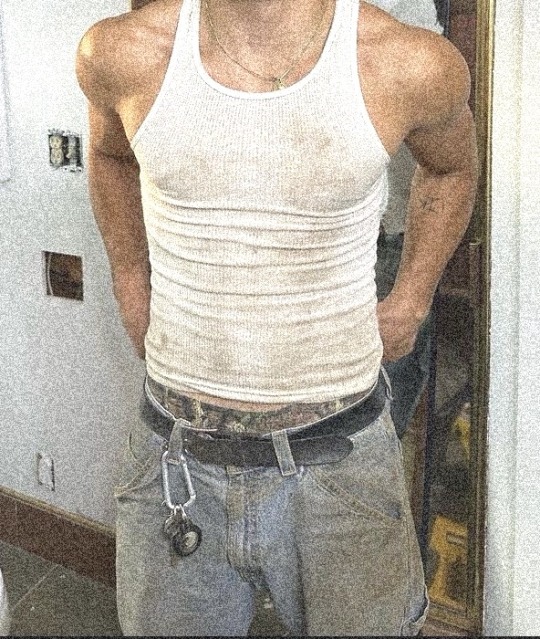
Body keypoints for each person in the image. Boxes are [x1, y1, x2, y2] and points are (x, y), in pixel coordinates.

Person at [76, 0, 477, 635]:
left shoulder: (409, 63)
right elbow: (109, 155)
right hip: (176, 459)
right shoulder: (121, 53)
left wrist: (412, 297)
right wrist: (130, 275)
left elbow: (452, 166)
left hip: (341, 461)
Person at [372, 0, 445, 437]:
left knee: (377, 428)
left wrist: (411, 298)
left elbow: (448, 163)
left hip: (387, 238)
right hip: (277, 242)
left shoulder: (400, 12)